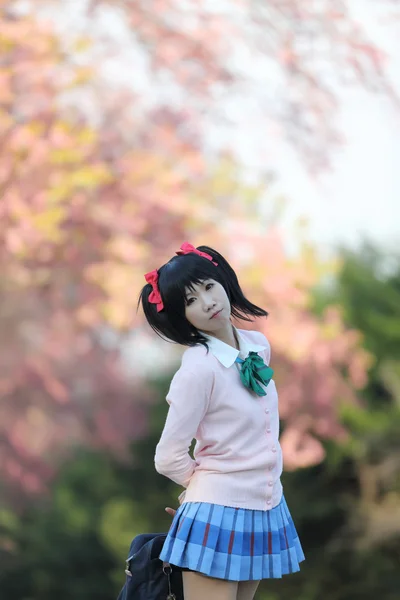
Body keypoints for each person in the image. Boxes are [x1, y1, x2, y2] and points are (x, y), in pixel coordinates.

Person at [138, 242, 305, 600]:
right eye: (190, 301)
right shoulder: (198, 369)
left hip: (266, 505)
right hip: (218, 513)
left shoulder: (257, 346)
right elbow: (167, 455)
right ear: (181, 316)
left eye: (209, 287)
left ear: (223, 281)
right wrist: (201, 490)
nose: (208, 302)